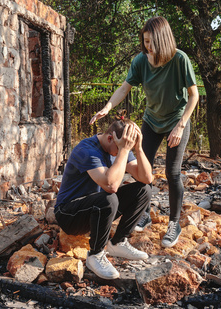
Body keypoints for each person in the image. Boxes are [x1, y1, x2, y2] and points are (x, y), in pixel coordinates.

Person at [89, 16, 199, 248]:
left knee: (172, 172)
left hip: (177, 121)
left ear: (163, 39)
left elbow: (194, 96)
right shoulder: (140, 61)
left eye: (152, 42)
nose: (148, 47)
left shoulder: (180, 59)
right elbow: (124, 87)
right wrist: (107, 107)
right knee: (141, 170)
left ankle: (174, 223)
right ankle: (144, 213)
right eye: (145, 42)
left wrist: (180, 126)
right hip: (151, 120)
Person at [55, 115, 153, 280]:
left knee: (144, 190)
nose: (124, 151)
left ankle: (118, 243)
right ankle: (95, 255)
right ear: (110, 138)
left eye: (128, 147)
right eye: (124, 146)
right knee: (109, 197)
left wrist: (139, 149)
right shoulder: (86, 149)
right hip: (69, 215)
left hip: (96, 212)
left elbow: (146, 178)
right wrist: (123, 150)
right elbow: (110, 185)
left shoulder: (119, 147)